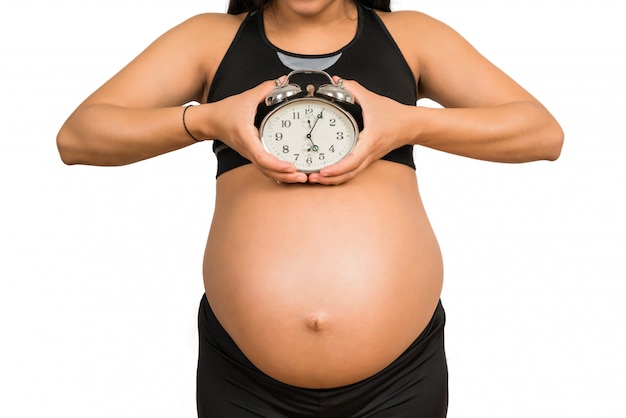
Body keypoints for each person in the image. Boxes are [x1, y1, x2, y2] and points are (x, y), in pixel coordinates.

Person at [57, 0, 563, 416]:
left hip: (400, 381)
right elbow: (78, 137)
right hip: (244, 381)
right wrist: (208, 120)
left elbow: (542, 133)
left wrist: (409, 124)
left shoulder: (412, 37)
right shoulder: (209, 40)